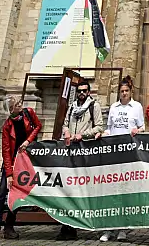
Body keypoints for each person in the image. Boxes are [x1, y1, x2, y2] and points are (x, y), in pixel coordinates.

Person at [57, 78, 104, 241]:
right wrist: (66, 131)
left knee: (80, 189)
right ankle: (67, 227)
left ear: (89, 92)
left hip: (85, 151)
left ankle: (77, 224)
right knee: (68, 188)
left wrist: (82, 135)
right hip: (71, 151)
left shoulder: (94, 106)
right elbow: (65, 123)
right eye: (79, 91)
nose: (82, 93)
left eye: (84, 90)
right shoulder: (72, 107)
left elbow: (99, 127)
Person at [0, 96, 40, 241]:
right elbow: (6, 151)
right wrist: (9, 174)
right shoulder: (7, 126)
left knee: (17, 195)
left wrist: (28, 141)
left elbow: (38, 126)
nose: (21, 104)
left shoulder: (29, 113)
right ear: (11, 109)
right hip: (11, 162)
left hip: (25, 161)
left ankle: (9, 227)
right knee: (2, 193)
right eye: (17, 104)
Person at [100, 76, 144, 243]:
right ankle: (108, 228)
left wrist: (137, 131)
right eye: (122, 91)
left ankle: (123, 229)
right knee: (111, 191)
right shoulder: (114, 107)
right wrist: (103, 134)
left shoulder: (137, 107)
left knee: (125, 191)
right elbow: (109, 128)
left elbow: (142, 127)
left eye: (126, 91)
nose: (124, 93)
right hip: (113, 154)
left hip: (129, 154)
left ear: (130, 92)